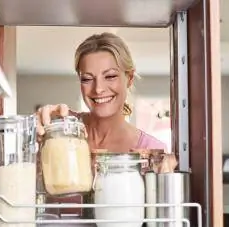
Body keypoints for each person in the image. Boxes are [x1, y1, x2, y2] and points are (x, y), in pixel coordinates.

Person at [36, 32, 177, 217]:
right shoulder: (61, 132)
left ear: (130, 78)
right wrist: (32, 137)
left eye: (110, 76)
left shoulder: (152, 150)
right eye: (87, 79)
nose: (98, 89)